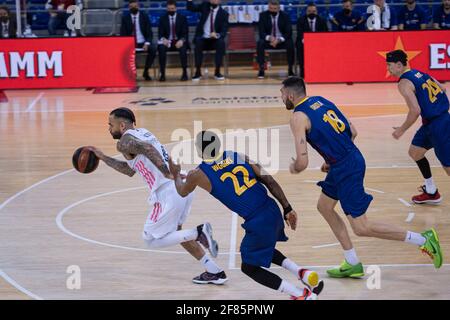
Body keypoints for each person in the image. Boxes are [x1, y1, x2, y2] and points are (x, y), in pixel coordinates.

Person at [282, 76, 443, 278]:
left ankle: (423, 239)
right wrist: (333, 158)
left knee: (361, 227)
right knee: (324, 207)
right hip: (345, 162)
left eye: (281, 94)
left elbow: (302, 162)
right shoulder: (321, 101)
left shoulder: (298, 117)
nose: (281, 98)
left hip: (347, 168)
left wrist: (294, 167)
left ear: (289, 95)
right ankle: (352, 262)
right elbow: (353, 131)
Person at [168, 130, 324, 300]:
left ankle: (301, 295)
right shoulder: (239, 156)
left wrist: (175, 173)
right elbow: (269, 180)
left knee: (249, 267)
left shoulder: (198, 174)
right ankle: (302, 273)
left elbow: (182, 191)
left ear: (199, 150)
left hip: (257, 220)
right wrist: (287, 208)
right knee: (262, 248)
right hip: (272, 209)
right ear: (218, 145)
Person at [88, 108, 228, 285]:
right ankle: (214, 271)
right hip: (181, 185)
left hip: (167, 191)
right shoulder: (144, 133)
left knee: (150, 240)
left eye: (110, 124)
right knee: (177, 233)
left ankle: (199, 232)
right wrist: (102, 157)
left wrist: (166, 172)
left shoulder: (124, 141)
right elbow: (130, 170)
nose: (108, 128)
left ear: (122, 125)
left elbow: (146, 149)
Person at [386, 50, 449, 204]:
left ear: (399, 65)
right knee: (415, 152)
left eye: (389, 65)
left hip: (439, 125)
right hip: (431, 123)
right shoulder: (420, 73)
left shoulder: (403, 83)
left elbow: (415, 111)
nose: (388, 69)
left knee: (448, 167)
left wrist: (401, 130)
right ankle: (431, 191)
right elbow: (443, 88)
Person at [187, 0, 229, 81]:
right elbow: (191, 8)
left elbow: (224, 31)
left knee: (221, 43)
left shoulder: (224, 14)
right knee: (198, 42)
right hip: (203, 38)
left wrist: (217, 34)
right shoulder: (204, 6)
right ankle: (198, 72)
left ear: (220, 1)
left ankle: (217, 72)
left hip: (215, 40)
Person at [256, 0, 295, 79]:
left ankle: (290, 69)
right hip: (269, 41)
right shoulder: (263, 15)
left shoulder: (285, 16)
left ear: (279, 8)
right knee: (260, 43)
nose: (272, 10)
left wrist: (278, 40)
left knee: (290, 43)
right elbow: (261, 32)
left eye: (274, 9)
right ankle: (261, 69)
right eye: (271, 8)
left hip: (281, 41)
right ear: (268, 7)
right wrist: (270, 38)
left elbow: (288, 32)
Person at [120, 0, 157, 81]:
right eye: (131, 7)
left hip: (143, 42)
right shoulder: (125, 18)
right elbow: (123, 34)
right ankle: (132, 73)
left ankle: (146, 71)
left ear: (138, 6)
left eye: (135, 6)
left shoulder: (144, 16)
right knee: (125, 52)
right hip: (130, 43)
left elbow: (149, 32)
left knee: (153, 49)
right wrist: (128, 44)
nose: (134, 8)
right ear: (129, 8)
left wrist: (147, 43)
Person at [158, 0, 189, 82]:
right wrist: (163, 39)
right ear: (166, 9)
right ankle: (162, 74)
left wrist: (182, 40)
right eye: (169, 9)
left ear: (176, 8)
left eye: (172, 8)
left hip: (178, 41)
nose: (170, 10)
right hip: (167, 42)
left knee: (183, 49)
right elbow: (160, 33)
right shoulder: (162, 18)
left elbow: (185, 33)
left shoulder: (182, 18)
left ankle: (185, 73)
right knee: (161, 48)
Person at [296, 3, 328, 78]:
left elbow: (325, 33)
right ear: (306, 12)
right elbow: (300, 33)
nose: (311, 13)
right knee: (299, 45)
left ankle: (321, 70)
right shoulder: (301, 20)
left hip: (318, 42)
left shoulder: (322, 20)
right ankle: (302, 70)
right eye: (309, 11)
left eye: (313, 11)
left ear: (316, 12)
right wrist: (307, 42)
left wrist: (316, 42)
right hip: (304, 41)